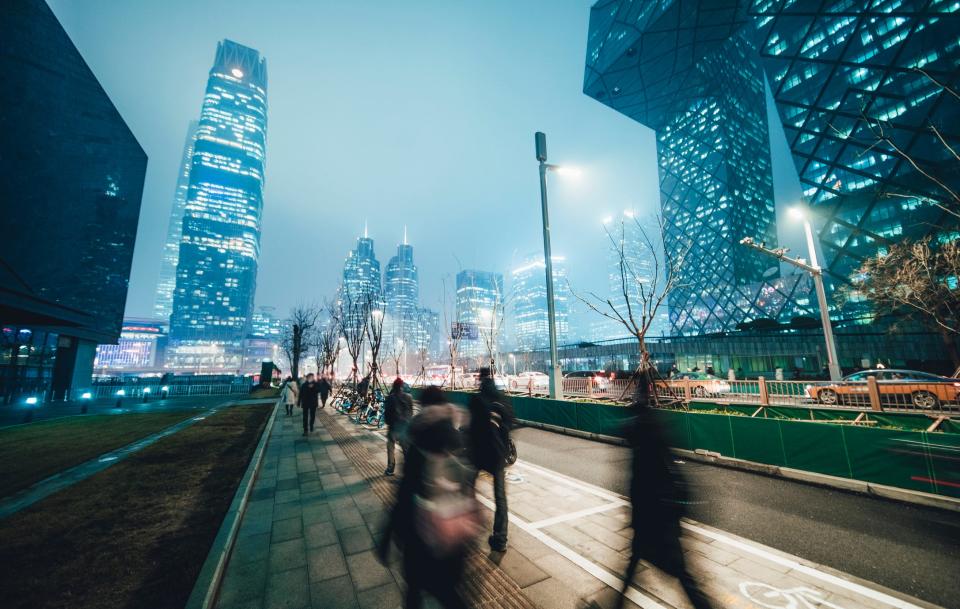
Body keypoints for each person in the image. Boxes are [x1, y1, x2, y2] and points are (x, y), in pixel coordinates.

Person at [615, 376, 713, 609]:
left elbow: (627, 434)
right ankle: (616, 604)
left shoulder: (642, 427)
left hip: (654, 513)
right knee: (637, 562)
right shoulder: (654, 425)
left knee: (679, 572)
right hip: (657, 511)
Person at [379, 386, 475, 609]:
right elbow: (469, 488)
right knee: (449, 593)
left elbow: (404, 495)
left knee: (414, 591)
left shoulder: (419, 440)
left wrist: (386, 537)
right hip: (455, 534)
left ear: (423, 407)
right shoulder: (459, 437)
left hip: (422, 535)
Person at [466, 367, 513, 552]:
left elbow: (471, 427)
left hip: (479, 453)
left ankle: (469, 524)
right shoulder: (502, 399)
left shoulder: (476, 400)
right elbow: (510, 424)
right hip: (498, 455)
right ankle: (500, 538)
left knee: (467, 488)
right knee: (500, 498)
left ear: (480, 379)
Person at [383, 377, 414, 476]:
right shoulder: (408, 397)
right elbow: (411, 412)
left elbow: (387, 413)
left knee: (390, 447)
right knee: (406, 449)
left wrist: (388, 423)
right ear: (401, 386)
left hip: (393, 427)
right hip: (405, 427)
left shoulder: (390, 397)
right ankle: (409, 469)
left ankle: (390, 468)